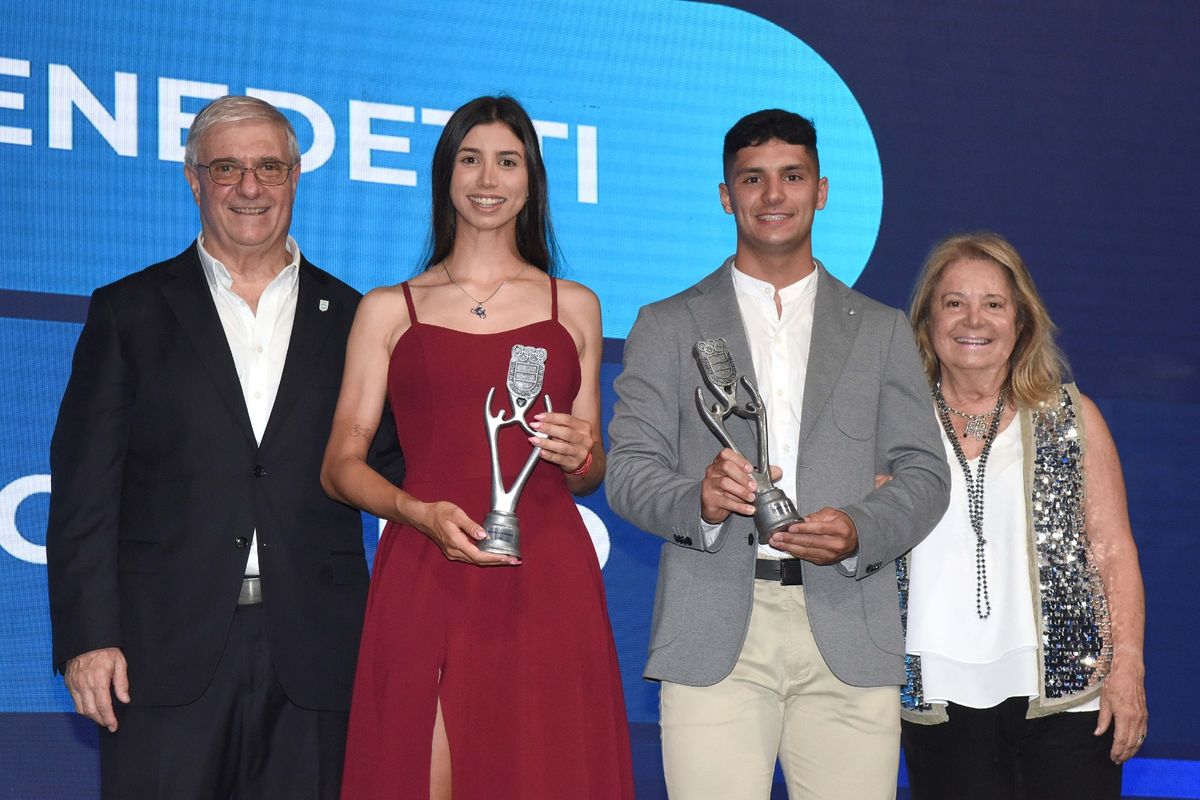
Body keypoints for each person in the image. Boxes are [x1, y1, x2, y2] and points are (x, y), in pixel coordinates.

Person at [45, 95, 405, 799]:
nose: (250, 187)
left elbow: (394, 465)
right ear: (192, 178)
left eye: (269, 167)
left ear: (296, 175)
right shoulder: (129, 311)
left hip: (317, 652)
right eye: (228, 168)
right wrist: (88, 638)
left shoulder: (358, 317)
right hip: (161, 653)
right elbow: (86, 491)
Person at [606, 108, 950, 799]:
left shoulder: (883, 330)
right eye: (753, 179)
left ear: (821, 190)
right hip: (713, 630)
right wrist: (696, 501)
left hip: (850, 626)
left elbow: (924, 473)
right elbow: (628, 473)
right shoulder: (667, 325)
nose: (773, 196)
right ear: (726, 195)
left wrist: (860, 529)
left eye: (792, 177)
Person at [321, 95, 634, 800]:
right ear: (445, 175)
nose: (487, 178)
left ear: (531, 180)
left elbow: (590, 472)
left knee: (542, 774)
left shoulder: (573, 305)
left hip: (546, 572)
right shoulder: (387, 308)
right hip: (426, 565)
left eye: (506, 160)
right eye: (469, 158)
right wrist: (416, 511)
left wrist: (583, 453)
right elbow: (340, 464)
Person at [899, 232, 1148, 799]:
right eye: (954, 302)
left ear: (1021, 322)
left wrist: (1128, 667)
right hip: (936, 696)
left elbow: (1113, 550)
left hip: (1069, 696)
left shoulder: (1071, 416)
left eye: (994, 304)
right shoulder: (893, 424)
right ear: (928, 320)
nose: (974, 320)